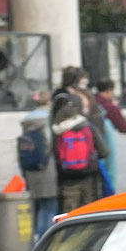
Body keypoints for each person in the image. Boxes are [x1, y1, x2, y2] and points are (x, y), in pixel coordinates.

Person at [51, 67, 106, 211]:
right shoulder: (87, 125)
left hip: (66, 174)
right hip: (89, 173)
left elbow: (54, 149)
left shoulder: (57, 126)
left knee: (68, 214)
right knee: (89, 212)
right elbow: (105, 151)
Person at [17, 102, 58, 241]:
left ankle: (38, 240)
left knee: (40, 208)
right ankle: (45, 242)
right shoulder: (48, 120)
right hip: (48, 173)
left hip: (31, 173)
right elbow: (51, 147)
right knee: (50, 208)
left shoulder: (27, 122)